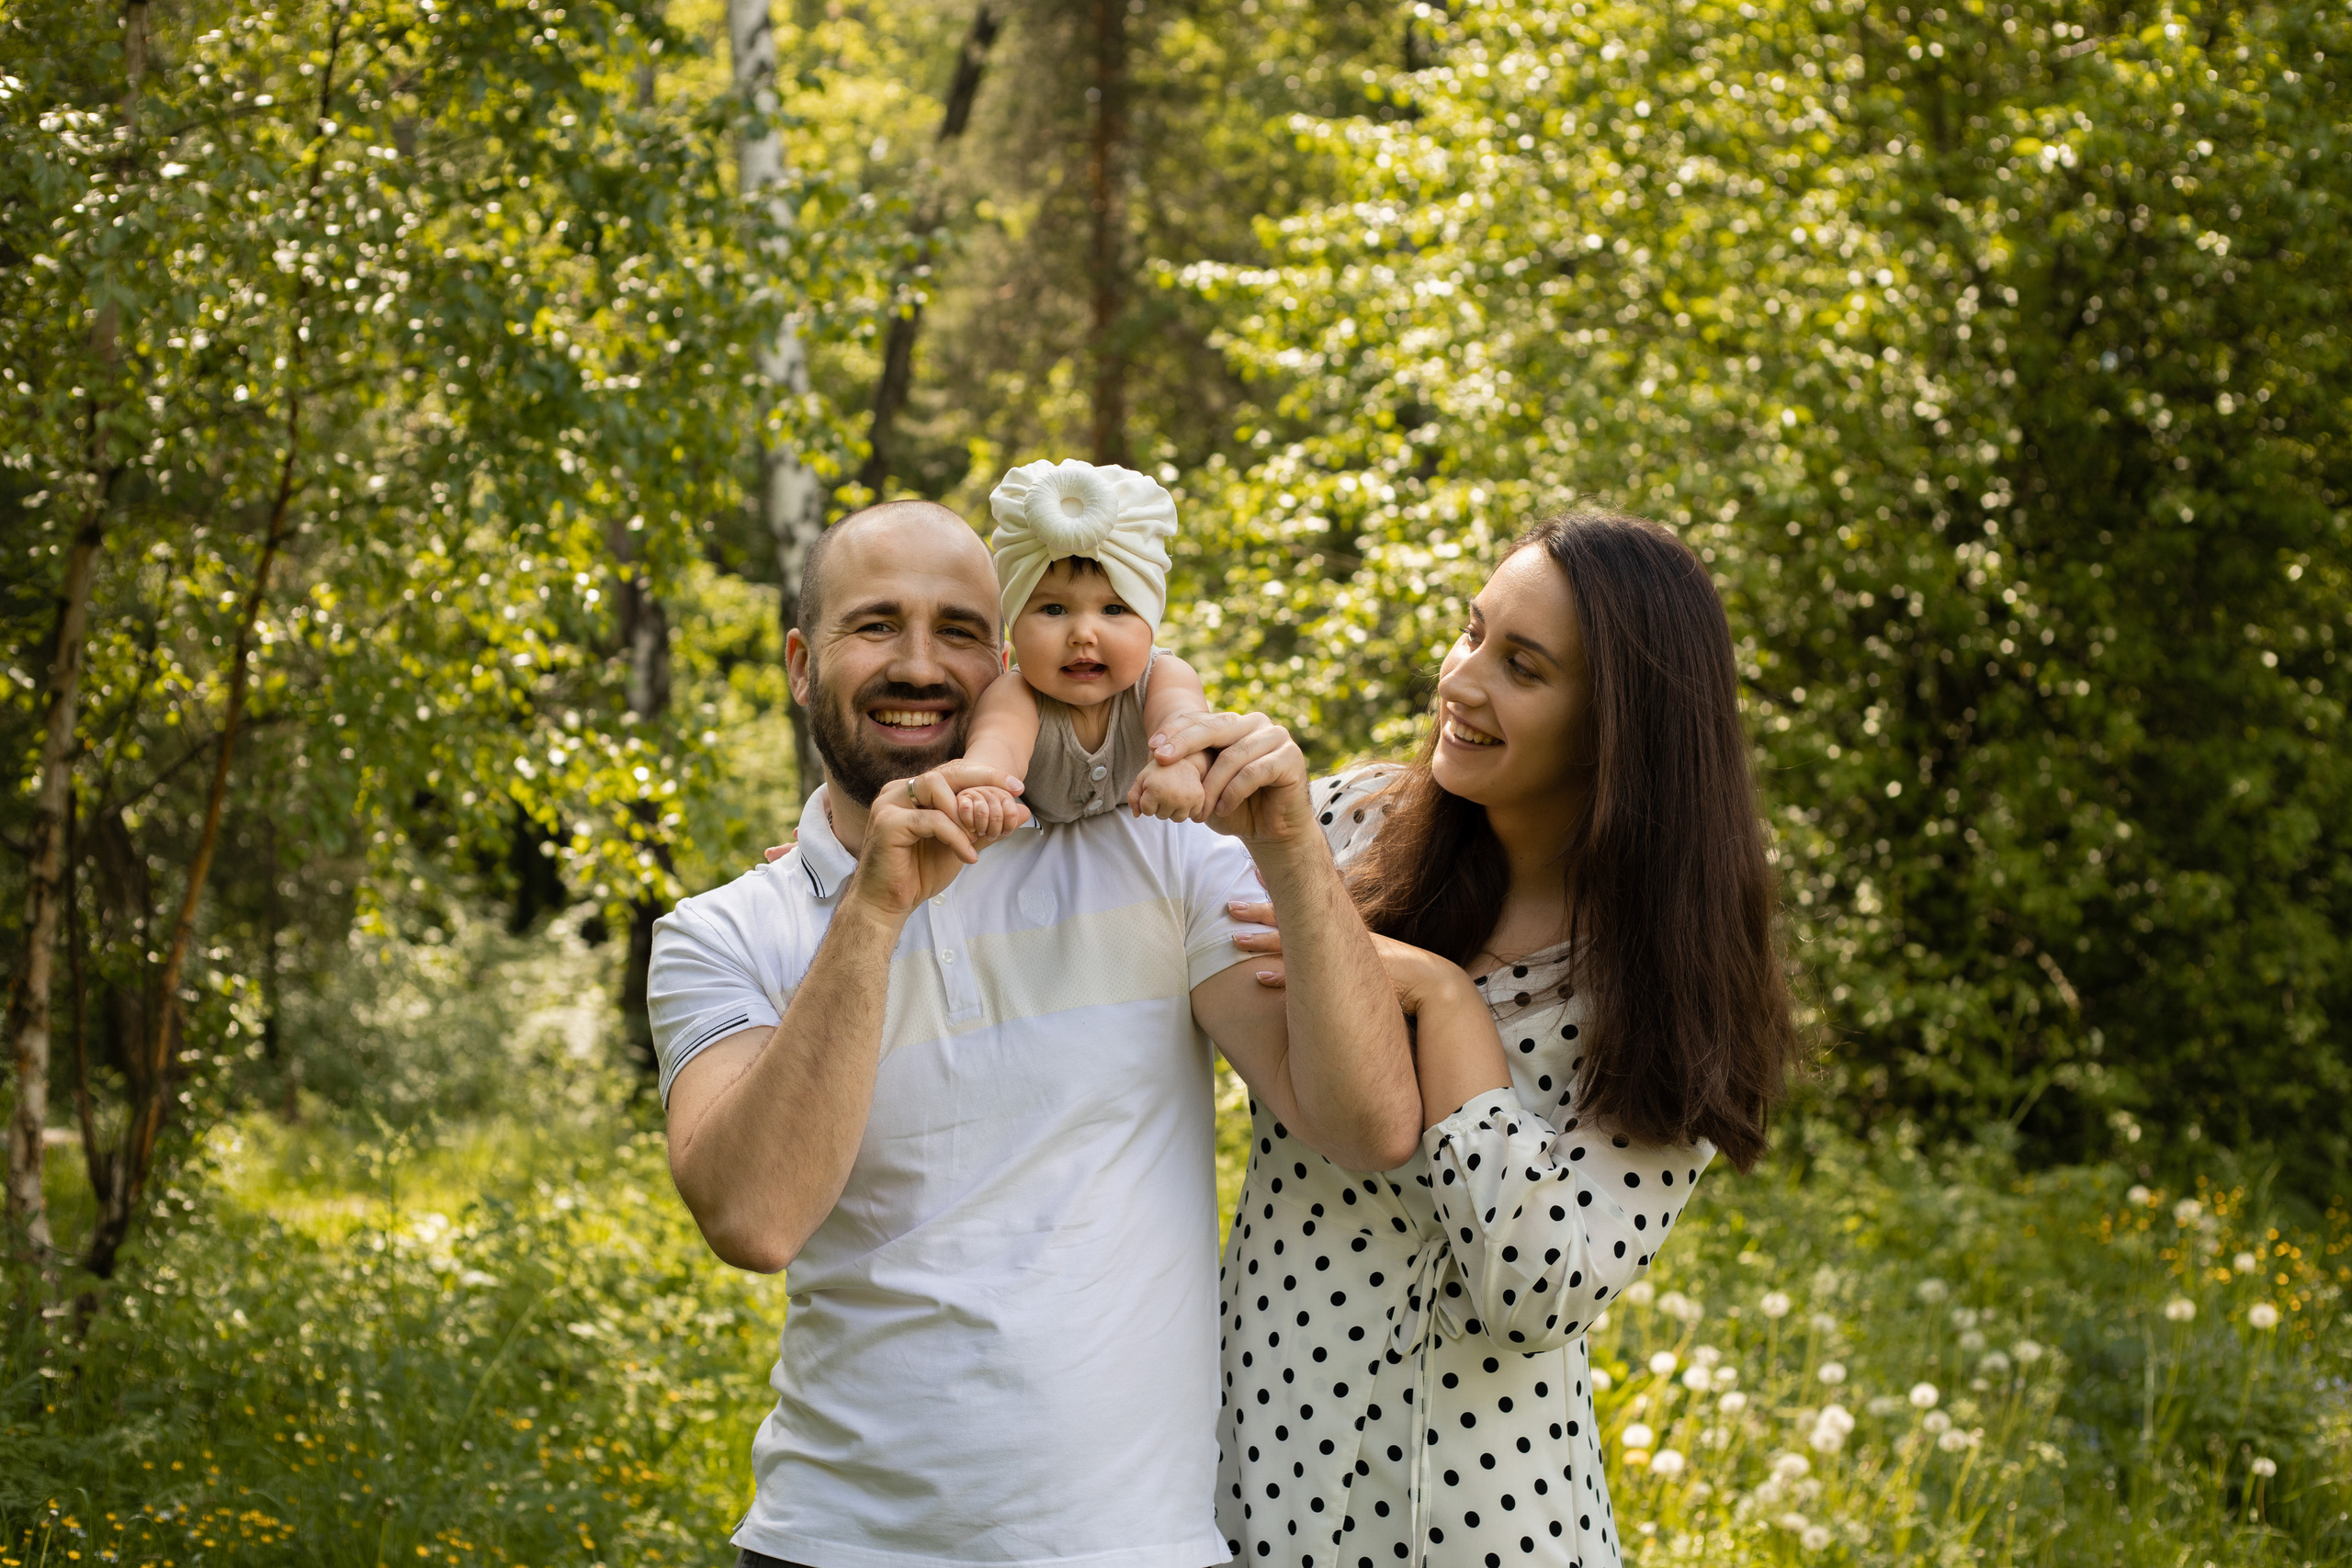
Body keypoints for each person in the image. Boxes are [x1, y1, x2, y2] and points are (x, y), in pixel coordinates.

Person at [645, 499, 1423, 1568]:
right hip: (834, 1545)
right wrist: (870, 914)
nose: (919, 666)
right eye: (875, 626)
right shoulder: (723, 933)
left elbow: (1367, 1122)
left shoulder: (1156, 852)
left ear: (1007, 655)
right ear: (798, 662)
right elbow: (754, 1220)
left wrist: (1291, 850)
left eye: (960, 631)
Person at [1182, 511, 1801, 1568]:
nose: (1461, 680)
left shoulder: (1667, 985)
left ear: (1619, 726)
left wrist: (1447, 1005)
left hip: (1474, 1525)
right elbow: (1120, 866)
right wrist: (846, 861)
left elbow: (1538, 1288)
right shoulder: (1343, 832)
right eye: (1471, 634)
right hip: (1256, 1491)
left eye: (1522, 665)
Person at [955, 457, 1215, 831]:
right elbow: (999, 744)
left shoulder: (1162, 676)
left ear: (1150, 625)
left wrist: (1183, 766)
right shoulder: (1018, 694)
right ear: (1013, 627)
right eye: (1054, 609)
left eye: (1113, 609)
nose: (1083, 634)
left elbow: (1185, 724)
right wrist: (982, 787)